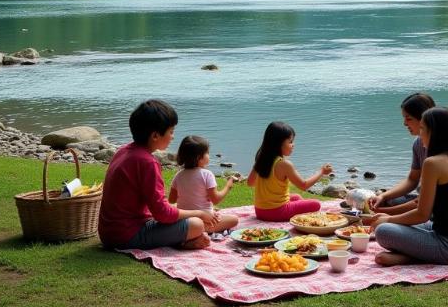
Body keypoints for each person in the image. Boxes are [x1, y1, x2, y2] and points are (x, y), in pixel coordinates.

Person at [370, 106, 448, 266]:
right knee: (407, 224)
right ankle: (419, 255)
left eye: (422, 129)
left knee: (384, 231)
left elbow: (422, 214)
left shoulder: (433, 163)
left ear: (435, 132)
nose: (420, 134)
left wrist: (388, 219)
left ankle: (412, 258)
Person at [98, 99, 218, 251]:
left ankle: (182, 239)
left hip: (109, 233)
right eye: (171, 132)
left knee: (183, 213)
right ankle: (183, 242)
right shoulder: (147, 162)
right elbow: (162, 214)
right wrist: (200, 213)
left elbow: (157, 208)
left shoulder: (124, 151)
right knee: (197, 224)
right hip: (126, 236)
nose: (173, 137)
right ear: (155, 135)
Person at [247, 121, 332, 221]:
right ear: (278, 143)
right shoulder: (284, 164)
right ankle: (301, 218)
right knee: (316, 204)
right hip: (276, 212)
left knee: (296, 197)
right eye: (290, 142)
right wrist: (321, 172)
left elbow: (250, 183)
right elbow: (304, 185)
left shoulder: (262, 159)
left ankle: (299, 214)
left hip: (260, 211)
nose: (293, 145)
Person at [368, 92, 435, 214]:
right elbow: (412, 180)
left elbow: (423, 203)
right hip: (423, 203)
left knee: (384, 225)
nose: (404, 123)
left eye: (409, 119)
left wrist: (383, 213)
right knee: (388, 200)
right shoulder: (418, 143)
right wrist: (383, 196)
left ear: (424, 119)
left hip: (436, 209)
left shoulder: (440, 154)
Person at [169, 135, 239, 233]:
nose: (209, 155)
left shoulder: (179, 175)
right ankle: (203, 230)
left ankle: (194, 230)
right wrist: (228, 186)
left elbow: (171, 199)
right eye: (207, 153)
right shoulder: (206, 174)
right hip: (204, 221)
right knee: (234, 219)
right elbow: (216, 199)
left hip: (183, 221)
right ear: (199, 157)